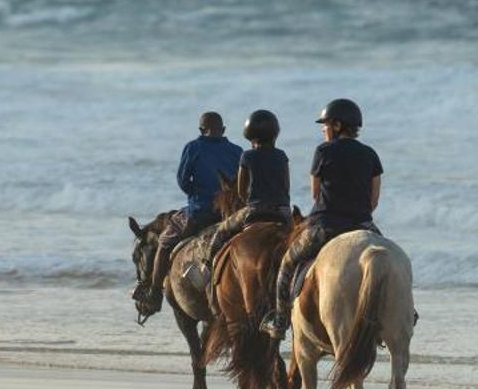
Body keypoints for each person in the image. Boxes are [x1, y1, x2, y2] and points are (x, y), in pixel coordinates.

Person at [260, 98, 382, 339]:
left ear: (337, 125)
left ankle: (280, 319)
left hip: (326, 227)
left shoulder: (323, 151)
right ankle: (407, 313)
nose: (323, 129)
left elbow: (315, 193)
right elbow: (374, 200)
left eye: (325, 125)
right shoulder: (370, 154)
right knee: (390, 259)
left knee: (287, 264)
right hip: (362, 225)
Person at [133, 111, 242, 316]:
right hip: (229, 215)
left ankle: (154, 294)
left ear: (201, 130)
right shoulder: (237, 151)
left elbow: (183, 180)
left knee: (164, 242)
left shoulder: (193, 148)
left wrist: (198, 195)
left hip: (200, 212)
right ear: (224, 130)